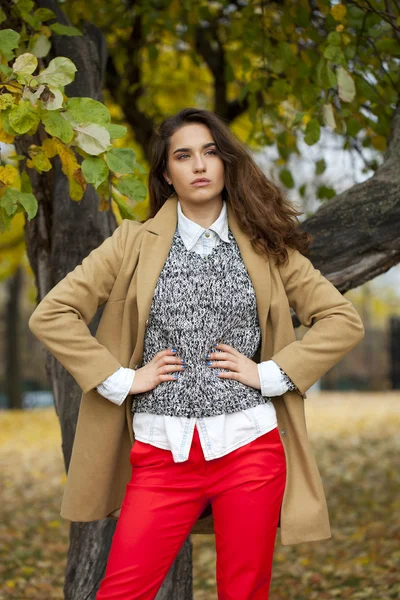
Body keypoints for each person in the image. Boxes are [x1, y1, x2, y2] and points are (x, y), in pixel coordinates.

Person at [28, 107, 365, 599]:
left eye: (209, 152)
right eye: (183, 156)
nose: (199, 166)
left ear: (226, 162)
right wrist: (121, 379)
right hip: (162, 455)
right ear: (167, 173)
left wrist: (271, 374)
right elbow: (52, 314)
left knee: (243, 592)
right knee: (121, 591)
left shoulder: (267, 246)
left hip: (250, 450)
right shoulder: (131, 243)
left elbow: (342, 320)